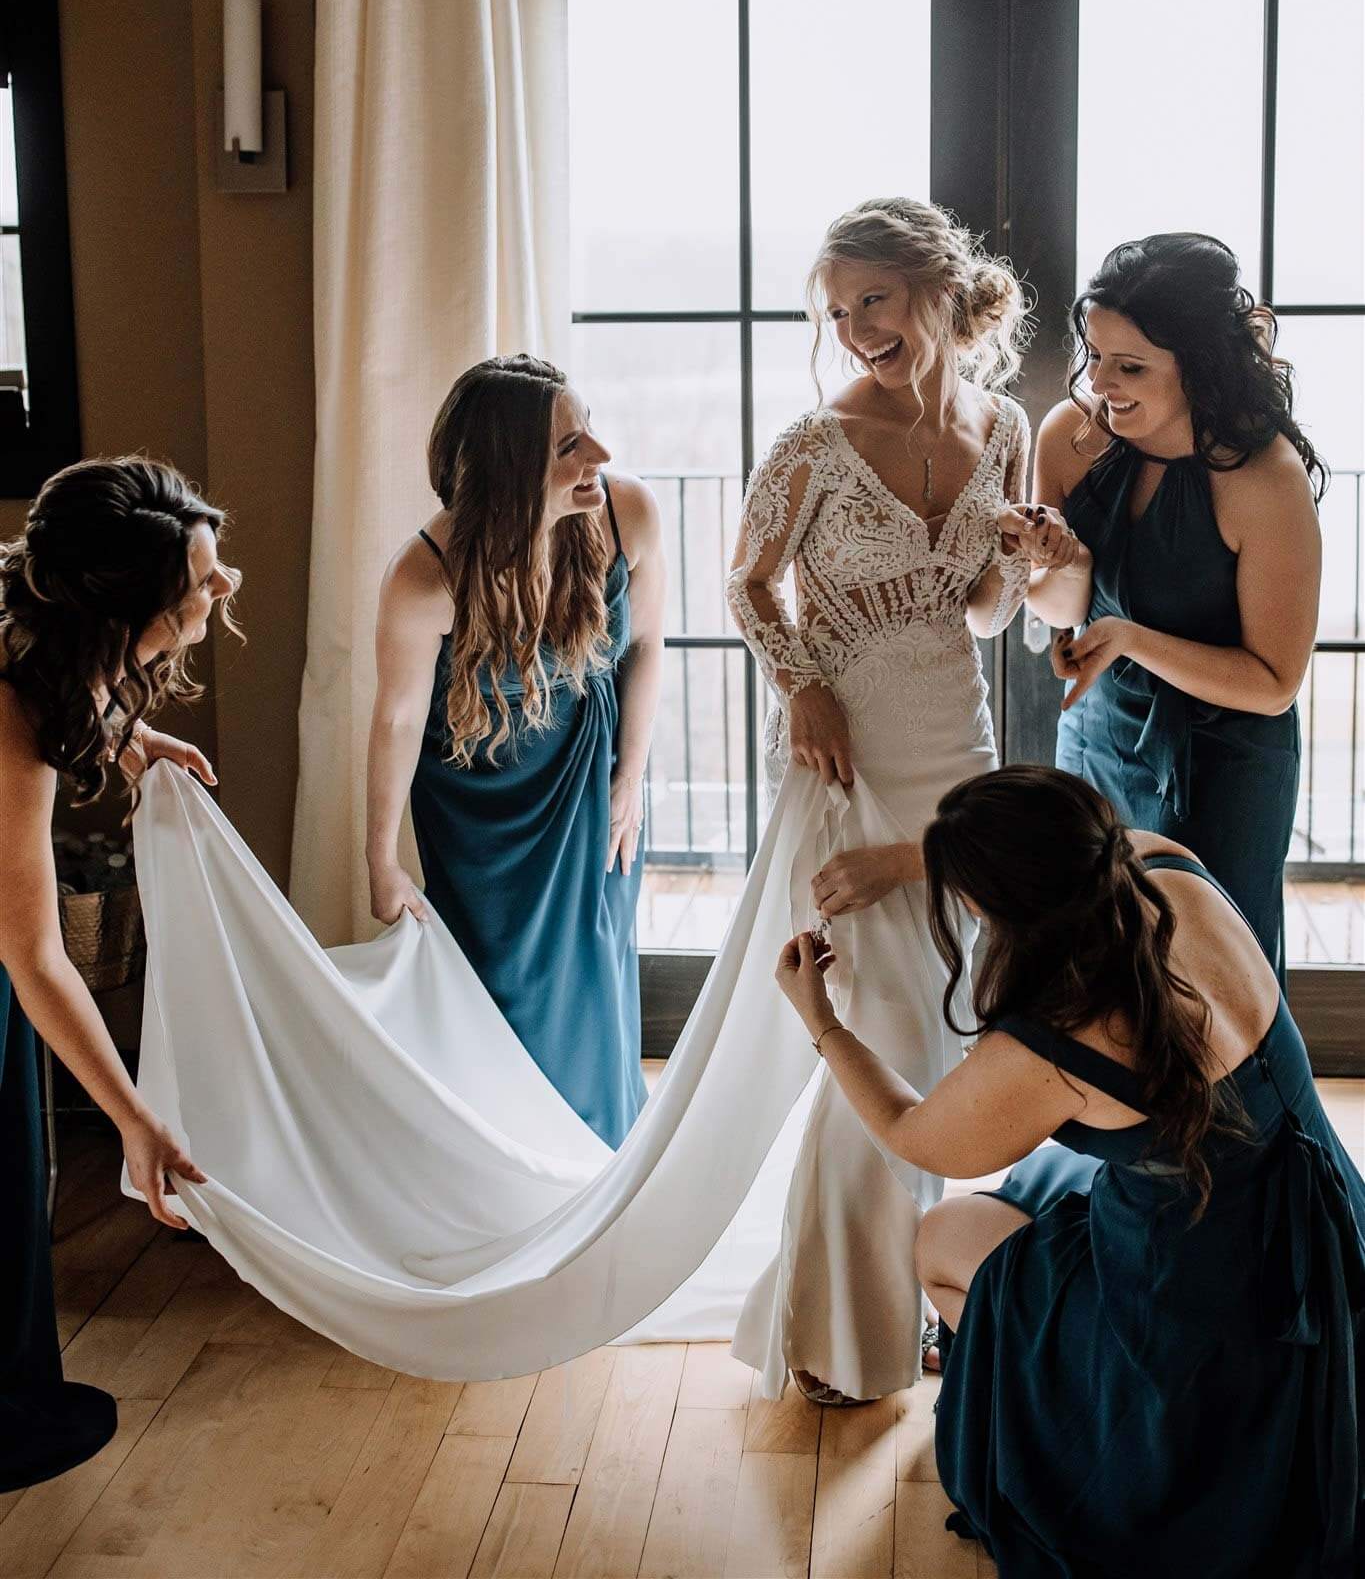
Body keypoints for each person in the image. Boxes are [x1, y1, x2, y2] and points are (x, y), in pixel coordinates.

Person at [776, 763, 1365, 1578]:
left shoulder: (1062, 1034)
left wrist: (822, 1022)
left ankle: (1050, 1398)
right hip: (1326, 1230)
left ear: (997, 906)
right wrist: (917, 858)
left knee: (941, 1240)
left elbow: (916, 1134)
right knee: (1047, 1187)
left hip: (1192, 1317)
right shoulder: (1167, 869)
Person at [727, 197, 1073, 1404]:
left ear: (936, 291)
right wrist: (804, 685)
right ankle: (835, 1334)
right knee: (869, 1019)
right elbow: (748, 583)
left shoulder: (1006, 422)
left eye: (872, 297)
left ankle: (897, 1294)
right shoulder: (813, 444)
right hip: (849, 749)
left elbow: (978, 607)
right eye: (837, 307)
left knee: (937, 1018)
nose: (855, 325)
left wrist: (1024, 563)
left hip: (956, 739)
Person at [0, 457, 232, 1490]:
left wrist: (132, 735)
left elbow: (67, 677)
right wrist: (135, 1116)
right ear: (129, 612)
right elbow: (35, 952)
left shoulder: (49, 636)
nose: (221, 586)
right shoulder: (8, 725)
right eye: (200, 578)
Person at [365, 355, 665, 1149]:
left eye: (589, 429)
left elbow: (647, 648)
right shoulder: (423, 576)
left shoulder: (625, 511)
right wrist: (380, 860)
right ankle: (506, 1170)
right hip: (477, 806)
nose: (597, 455)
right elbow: (398, 718)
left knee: (595, 979)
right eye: (570, 444)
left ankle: (597, 1166)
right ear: (507, 470)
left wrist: (629, 776)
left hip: (595, 778)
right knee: (497, 993)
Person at [1029, 233, 1325, 979]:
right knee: (1093, 958)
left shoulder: (1262, 478)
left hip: (1222, 760)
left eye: (1130, 367)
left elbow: (1272, 682)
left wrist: (1127, 637)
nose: (1100, 382)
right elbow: (1060, 609)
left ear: (1199, 367)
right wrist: (1059, 574)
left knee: (1206, 979)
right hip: (1099, 736)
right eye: (1092, 354)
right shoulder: (1069, 437)